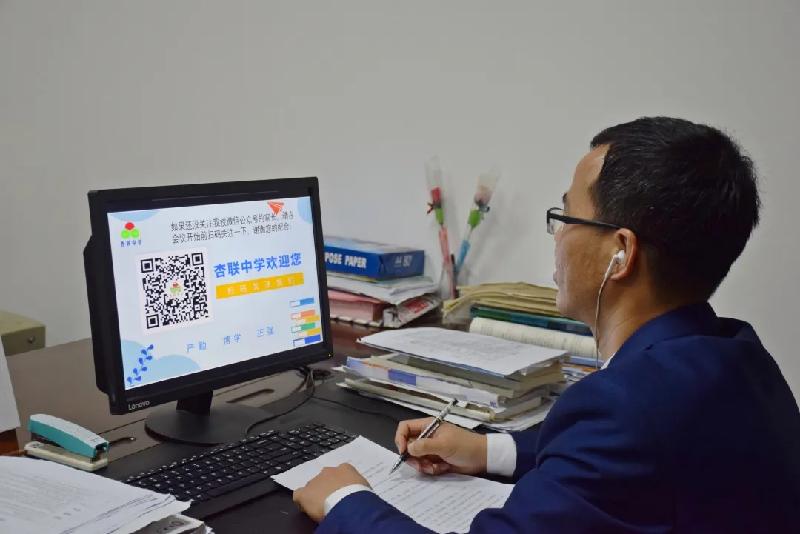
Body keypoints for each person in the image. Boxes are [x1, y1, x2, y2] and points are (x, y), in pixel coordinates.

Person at [293, 117, 800, 533]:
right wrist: (487, 449)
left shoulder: (626, 410)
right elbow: (617, 464)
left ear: (620, 253)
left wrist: (346, 502)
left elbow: (621, 445)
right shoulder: (739, 356)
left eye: (567, 217)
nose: (556, 236)